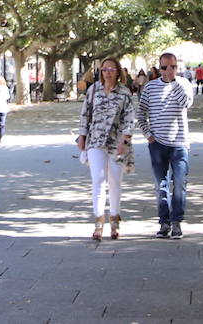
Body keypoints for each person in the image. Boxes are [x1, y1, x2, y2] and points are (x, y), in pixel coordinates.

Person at [76, 56, 136, 241]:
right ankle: (98, 223)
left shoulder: (124, 93)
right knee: (98, 181)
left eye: (111, 69)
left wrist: (124, 140)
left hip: (116, 142)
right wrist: (82, 136)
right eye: (104, 70)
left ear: (118, 72)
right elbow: (85, 114)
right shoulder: (93, 90)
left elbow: (129, 118)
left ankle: (115, 221)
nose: (107, 73)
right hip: (95, 141)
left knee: (114, 181)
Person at [138, 52, 194, 239]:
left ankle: (177, 221)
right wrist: (148, 135)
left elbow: (185, 103)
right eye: (164, 67)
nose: (168, 71)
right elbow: (141, 113)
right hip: (157, 144)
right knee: (161, 185)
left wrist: (174, 83)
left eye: (172, 67)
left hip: (179, 143)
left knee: (179, 183)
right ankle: (164, 222)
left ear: (177, 67)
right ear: (159, 67)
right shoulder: (150, 87)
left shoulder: (184, 84)